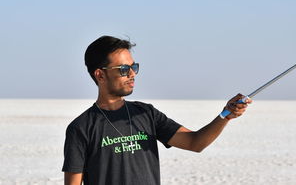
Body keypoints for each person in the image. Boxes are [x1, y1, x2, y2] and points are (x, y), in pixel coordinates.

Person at [62, 35, 251, 185]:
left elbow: (195, 142)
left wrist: (225, 115)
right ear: (100, 74)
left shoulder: (146, 114)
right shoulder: (81, 128)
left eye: (134, 67)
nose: (132, 73)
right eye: (123, 69)